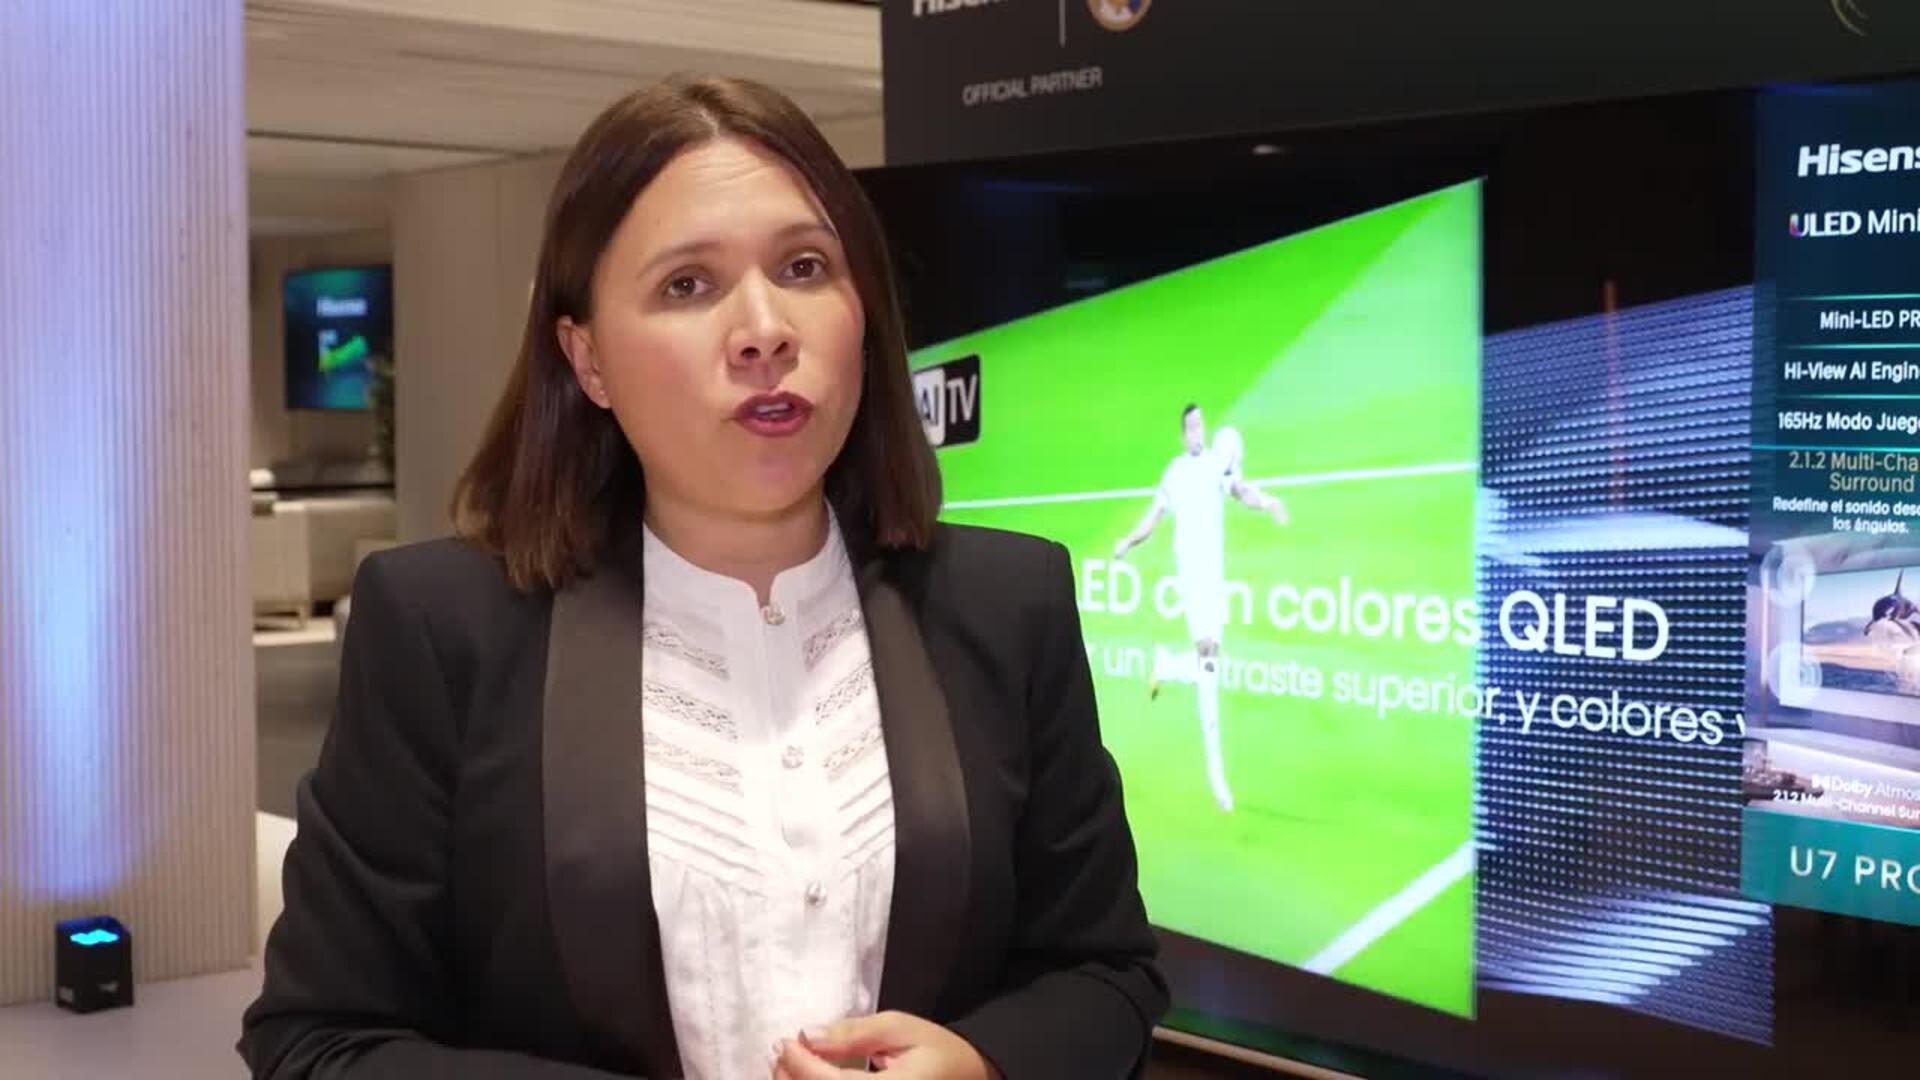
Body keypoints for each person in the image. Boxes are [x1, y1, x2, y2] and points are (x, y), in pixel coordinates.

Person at [239, 76, 1166, 1080]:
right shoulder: (441, 628)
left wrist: (982, 1065)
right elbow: (319, 1040)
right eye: (688, 284)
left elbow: (1105, 972)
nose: (764, 328)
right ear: (587, 359)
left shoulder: (1007, 603)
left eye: (805, 267)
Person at [1112, 405, 1287, 812]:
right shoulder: (1175, 473)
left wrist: (1267, 502)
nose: (1196, 432)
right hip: (1192, 576)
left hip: (1215, 576)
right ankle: (1217, 777)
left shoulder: (1214, 465)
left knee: (1209, 665)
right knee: (1208, 659)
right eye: (1190, 427)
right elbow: (1152, 519)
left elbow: (1240, 492)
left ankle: (1169, 666)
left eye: (1200, 426)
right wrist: (1127, 542)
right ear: (1182, 434)